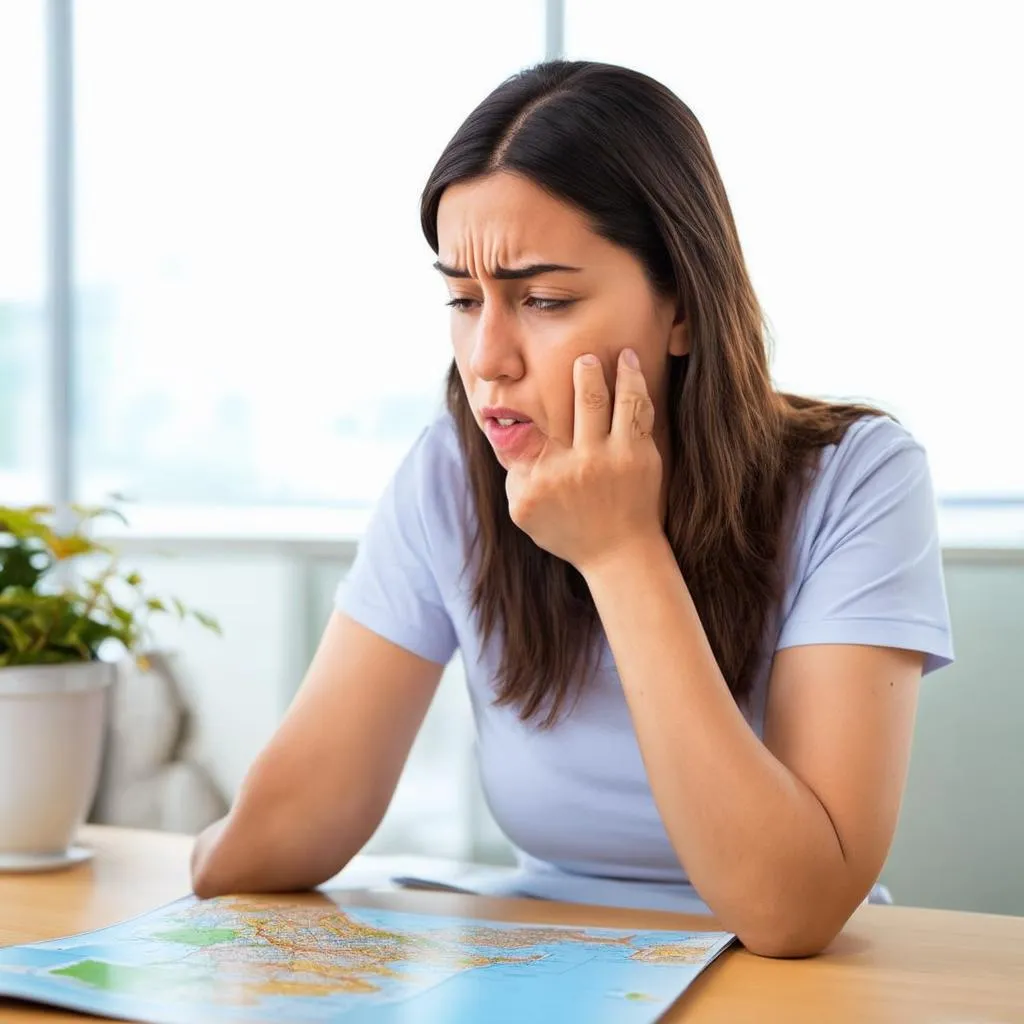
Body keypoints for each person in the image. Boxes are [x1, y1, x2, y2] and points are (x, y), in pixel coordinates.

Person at [191, 60, 953, 958]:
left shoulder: (858, 478)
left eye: (544, 300)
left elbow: (791, 911)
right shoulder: (451, 473)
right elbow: (290, 827)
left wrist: (622, 552)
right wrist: (204, 847)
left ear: (683, 309)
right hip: (550, 958)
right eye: (463, 300)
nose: (488, 359)